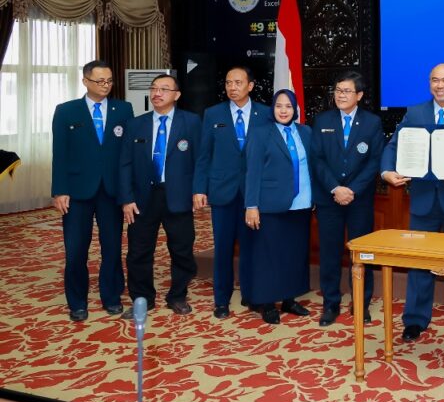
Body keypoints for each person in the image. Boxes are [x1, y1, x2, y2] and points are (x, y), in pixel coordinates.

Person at [380, 63, 444, 342]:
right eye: (435, 80)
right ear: (429, 83)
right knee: (419, 262)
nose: (440, 85)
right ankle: (415, 319)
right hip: (423, 201)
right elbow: (394, 145)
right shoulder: (415, 112)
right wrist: (387, 171)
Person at [51, 60, 134, 321]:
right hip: (76, 191)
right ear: (85, 81)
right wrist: (59, 190)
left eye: (109, 80)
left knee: (112, 247)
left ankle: (111, 296)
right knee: (76, 250)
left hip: (111, 191)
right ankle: (77, 302)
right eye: (100, 81)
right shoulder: (66, 111)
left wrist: (127, 192)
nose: (106, 85)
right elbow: (60, 154)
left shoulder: (124, 109)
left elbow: (127, 154)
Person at [193, 65, 272, 319]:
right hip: (222, 192)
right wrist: (199, 188)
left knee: (251, 248)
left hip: (254, 194)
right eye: (228, 83)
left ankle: (251, 295)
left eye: (238, 83)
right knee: (223, 249)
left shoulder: (266, 114)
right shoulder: (213, 113)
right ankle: (221, 300)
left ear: (250, 86)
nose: (232, 87)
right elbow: (204, 155)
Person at [119, 74, 201, 320]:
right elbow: (125, 163)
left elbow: (201, 160)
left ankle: (178, 295)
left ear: (177, 95)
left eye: (164, 89)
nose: (157, 93)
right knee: (138, 251)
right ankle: (142, 299)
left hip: (179, 196)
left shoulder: (191, 122)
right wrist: (126, 198)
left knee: (182, 249)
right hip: (142, 198)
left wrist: (199, 190)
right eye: (154, 88)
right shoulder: (136, 124)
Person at [312, 71, 385, 327]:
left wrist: (352, 189)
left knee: (362, 253)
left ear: (359, 95)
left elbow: (375, 161)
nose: (341, 95)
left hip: (359, 199)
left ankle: (361, 303)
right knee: (330, 253)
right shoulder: (322, 120)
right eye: (338, 90)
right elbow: (317, 159)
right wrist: (335, 188)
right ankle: (330, 303)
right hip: (329, 198)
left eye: (346, 91)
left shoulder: (372, 123)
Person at [244, 89, 322, 324]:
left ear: (295, 109)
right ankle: (267, 302)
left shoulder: (305, 132)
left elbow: (312, 166)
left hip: (301, 204)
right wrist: (251, 205)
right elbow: (252, 171)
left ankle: (289, 298)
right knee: (269, 256)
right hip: (270, 204)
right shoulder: (260, 133)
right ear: (273, 108)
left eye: (288, 106)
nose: (283, 110)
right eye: (279, 105)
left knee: (294, 254)